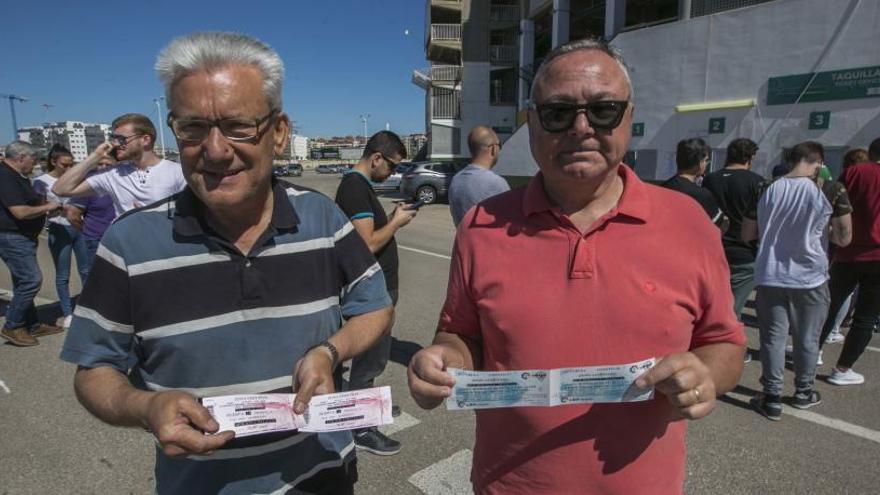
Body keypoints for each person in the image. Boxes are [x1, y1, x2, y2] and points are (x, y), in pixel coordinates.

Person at [407, 39, 745, 494]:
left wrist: (706, 375)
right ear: (532, 124)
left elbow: (724, 343)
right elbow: (460, 334)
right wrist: (442, 361)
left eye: (603, 109)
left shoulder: (689, 224)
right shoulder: (481, 225)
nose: (581, 128)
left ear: (628, 117)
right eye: (558, 112)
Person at [60, 32, 393, 494]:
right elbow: (94, 369)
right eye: (193, 128)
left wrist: (329, 351)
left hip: (325, 476)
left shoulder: (322, 218)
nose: (215, 149)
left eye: (239, 126)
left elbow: (374, 304)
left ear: (278, 132)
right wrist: (144, 408)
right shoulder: (129, 242)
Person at [741, 142, 852, 419]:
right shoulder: (830, 189)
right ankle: (803, 392)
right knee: (806, 339)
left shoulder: (766, 187)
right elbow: (844, 236)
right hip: (810, 276)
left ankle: (771, 397)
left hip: (771, 274)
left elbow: (747, 233)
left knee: (773, 339)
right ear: (818, 163)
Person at [334, 130, 416, 456]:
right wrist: (396, 222)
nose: (393, 173)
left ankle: (367, 406)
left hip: (379, 289)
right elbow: (366, 244)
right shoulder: (354, 187)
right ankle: (361, 428)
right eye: (392, 167)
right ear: (376, 158)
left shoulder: (360, 186)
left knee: (374, 358)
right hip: (372, 293)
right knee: (370, 360)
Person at [818, 137, 880, 385]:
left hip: (846, 250)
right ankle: (842, 370)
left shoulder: (853, 172)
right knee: (865, 315)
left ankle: (813, 353)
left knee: (829, 305)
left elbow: (834, 203)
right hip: (877, 255)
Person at [52, 113, 186, 216]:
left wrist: (151, 218)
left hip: (166, 249)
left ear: (145, 139)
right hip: (125, 250)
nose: (115, 144)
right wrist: (95, 156)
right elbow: (60, 189)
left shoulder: (177, 172)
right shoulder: (113, 174)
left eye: (121, 139)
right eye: (114, 139)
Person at [0, 141, 63, 346]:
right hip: (12, 236)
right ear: (21, 158)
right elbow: (19, 211)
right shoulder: (5, 176)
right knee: (30, 280)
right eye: (33, 160)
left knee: (21, 281)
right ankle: (12, 326)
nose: (34, 164)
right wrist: (48, 206)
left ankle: (32, 324)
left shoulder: (17, 176)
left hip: (22, 236)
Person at [703, 138, 764, 331]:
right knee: (731, 311)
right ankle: (726, 353)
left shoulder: (710, 179)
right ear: (750, 157)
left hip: (714, 250)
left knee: (711, 305)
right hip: (744, 253)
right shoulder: (757, 182)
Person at [32, 145, 90, 329]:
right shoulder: (41, 181)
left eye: (71, 164)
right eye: (64, 165)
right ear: (53, 161)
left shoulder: (77, 177)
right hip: (59, 228)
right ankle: (68, 313)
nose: (68, 168)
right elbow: (41, 208)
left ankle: (89, 308)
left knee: (86, 270)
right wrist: (59, 207)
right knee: (63, 275)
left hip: (79, 226)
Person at [822, 147, 869, 344]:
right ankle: (833, 330)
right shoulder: (868, 180)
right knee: (850, 293)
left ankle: (821, 336)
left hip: (841, 241)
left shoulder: (845, 181)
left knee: (834, 289)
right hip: (866, 244)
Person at [65, 155, 117, 278]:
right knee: (98, 278)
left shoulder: (122, 183)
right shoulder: (89, 186)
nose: (103, 167)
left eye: (108, 164)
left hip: (119, 239)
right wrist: (88, 231)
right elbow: (72, 215)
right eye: (100, 164)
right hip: (97, 240)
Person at [448, 126, 510, 226]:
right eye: (500, 145)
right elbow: (509, 223)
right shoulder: (497, 183)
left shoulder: (456, 180)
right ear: (493, 148)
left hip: (462, 240)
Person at [661, 137, 727, 229]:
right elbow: (718, 224)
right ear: (700, 163)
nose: (706, 164)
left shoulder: (662, 189)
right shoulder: (702, 195)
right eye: (706, 160)